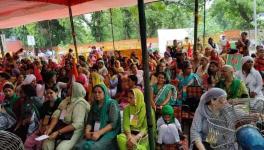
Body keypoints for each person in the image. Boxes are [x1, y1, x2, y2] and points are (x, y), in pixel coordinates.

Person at [42, 82, 90, 150]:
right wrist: (50, 128)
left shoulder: (80, 103)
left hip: (74, 130)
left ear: (75, 90)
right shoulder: (67, 99)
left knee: (60, 149)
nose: (68, 89)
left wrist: (58, 132)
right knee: (46, 143)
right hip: (61, 125)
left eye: (70, 88)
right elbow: (57, 113)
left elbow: (76, 124)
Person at [75, 84, 120, 150]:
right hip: (95, 131)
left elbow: (113, 124)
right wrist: (87, 132)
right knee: (79, 146)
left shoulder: (111, 104)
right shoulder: (94, 105)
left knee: (94, 147)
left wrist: (99, 133)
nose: (97, 94)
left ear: (104, 92)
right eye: (95, 92)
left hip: (108, 132)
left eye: (99, 92)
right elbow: (89, 121)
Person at [24, 86, 62, 150]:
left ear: (56, 92)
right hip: (43, 127)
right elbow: (42, 117)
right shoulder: (46, 104)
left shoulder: (61, 103)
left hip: (55, 128)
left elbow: (61, 119)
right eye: (47, 93)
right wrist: (40, 127)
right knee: (28, 142)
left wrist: (49, 127)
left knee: (41, 144)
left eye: (51, 93)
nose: (49, 95)